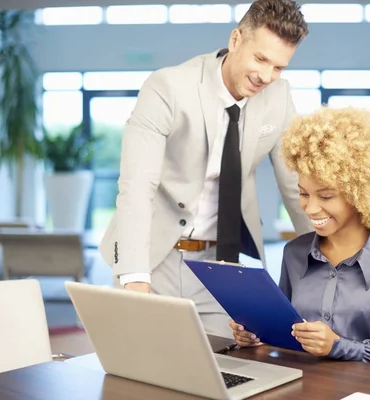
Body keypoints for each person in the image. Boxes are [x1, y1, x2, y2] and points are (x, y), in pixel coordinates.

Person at [98, 0, 314, 339]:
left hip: (222, 264)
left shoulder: (278, 97)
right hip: (156, 255)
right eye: (261, 59)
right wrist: (136, 279)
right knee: (146, 368)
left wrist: (323, 261)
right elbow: (137, 187)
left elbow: (296, 187)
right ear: (236, 40)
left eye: (278, 67)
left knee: (230, 371)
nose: (266, 76)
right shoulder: (167, 87)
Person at [230, 107, 370, 371]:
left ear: (361, 192)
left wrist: (338, 345)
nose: (310, 209)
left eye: (325, 196)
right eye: (303, 194)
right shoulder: (294, 253)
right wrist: (256, 337)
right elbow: (284, 335)